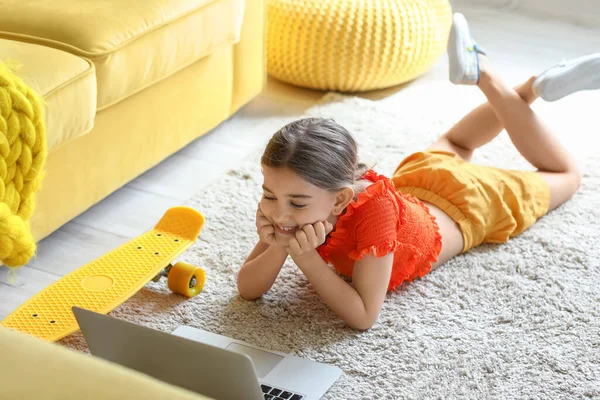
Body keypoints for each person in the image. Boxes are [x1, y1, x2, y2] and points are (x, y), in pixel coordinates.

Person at [237, 13, 597, 330]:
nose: (279, 211)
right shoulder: (288, 201)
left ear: (341, 198)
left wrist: (305, 257)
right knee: (456, 142)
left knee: (566, 174)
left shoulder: (373, 216)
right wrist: (277, 246)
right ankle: (520, 82)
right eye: (269, 194)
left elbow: (363, 316)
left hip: (470, 204)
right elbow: (247, 289)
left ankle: (506, 80)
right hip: (420, 180)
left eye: (297, 204)